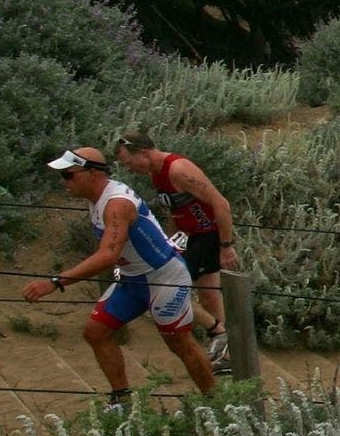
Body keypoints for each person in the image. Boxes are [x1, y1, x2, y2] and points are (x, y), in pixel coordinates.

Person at [24, 148, 220, 404]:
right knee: (95, 332)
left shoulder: (116, 204)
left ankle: (216, 402)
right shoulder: (99, 198)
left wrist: (56, 282)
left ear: (93, 174)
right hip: (133, 278)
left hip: (163, 277)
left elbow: (107, 256)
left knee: (179, 342)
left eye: (68, 175)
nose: (64, 182)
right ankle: (122, 399)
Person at [114, 133, 240, 371]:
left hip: (208, 234)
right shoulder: (156, 174)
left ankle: (220, 333)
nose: (129, 169)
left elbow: (220, 203)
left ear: (143, 152)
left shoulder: (177, 169)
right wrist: (170, 242)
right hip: (190, 236)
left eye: (129, 163)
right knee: (208, 294)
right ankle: (227, 351)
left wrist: (226, 245)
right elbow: (175, 211)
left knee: (167, 288)